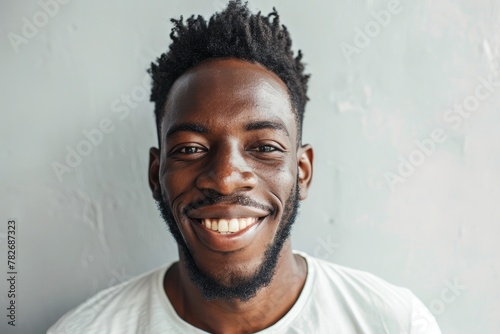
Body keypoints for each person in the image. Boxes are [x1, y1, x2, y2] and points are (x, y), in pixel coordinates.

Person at [48, 1, 442, 333]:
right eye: (189, 149)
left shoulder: (394, 323)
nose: (224, 178)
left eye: (265, 147)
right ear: (156, 175)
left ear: (302, 171)